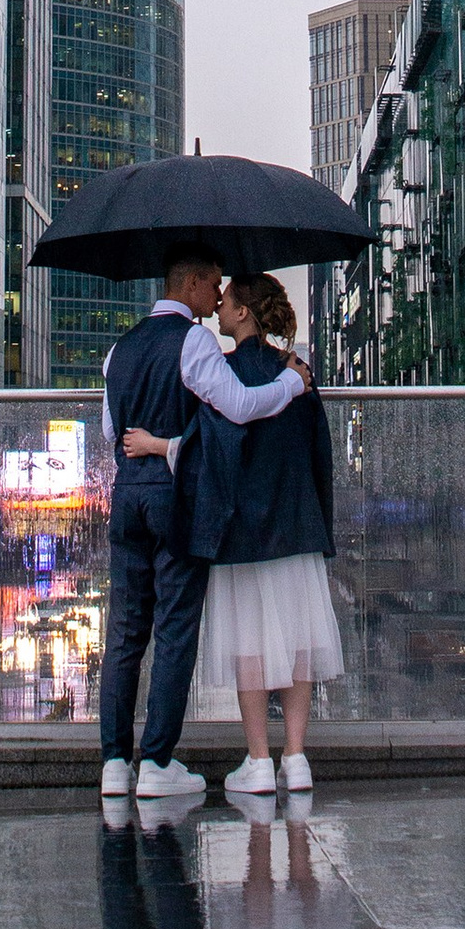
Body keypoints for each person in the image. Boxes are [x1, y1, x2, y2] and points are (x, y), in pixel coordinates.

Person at [99, 250, 313, 800]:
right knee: (173, 629)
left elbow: (109, 430)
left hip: (126, 495)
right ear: (190, 284)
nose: (216, 297)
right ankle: (156, 763)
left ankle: (114, 765)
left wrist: (144, 447)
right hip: (174, 498)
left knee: (124, 633)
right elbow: (238, 406)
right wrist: (291, 384)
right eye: (212, 285)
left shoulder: (118, 350)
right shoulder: (193, 341)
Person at [174, 270, 342, 799]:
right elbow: (321, 457)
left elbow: (205, 452)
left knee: (249, 644)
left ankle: (258, 760)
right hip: (296, 524)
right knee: (297, 644)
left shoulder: (222, 374)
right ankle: (296, 758)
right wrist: (321, 526)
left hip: (241, 530)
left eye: (225, 301)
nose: (218, 308)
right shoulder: (298, 374)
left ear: (243, 312)